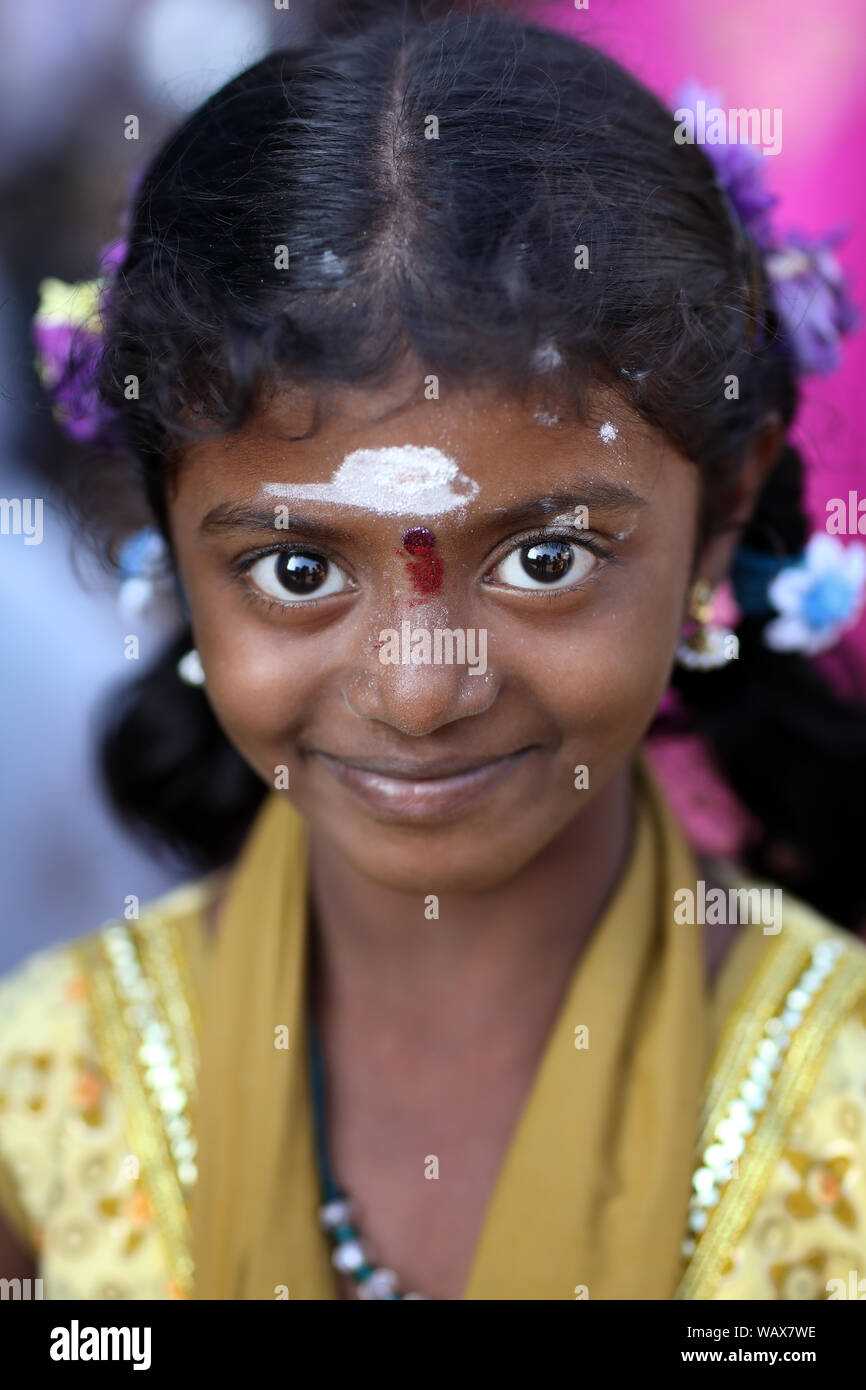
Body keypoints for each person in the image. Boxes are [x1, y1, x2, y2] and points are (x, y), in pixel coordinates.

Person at [2, 1, 866, 1302]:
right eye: (295, 570)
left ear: (718, 520)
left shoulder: (841, 1098)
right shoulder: (45, 1094)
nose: (416, 688)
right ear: (174, 540)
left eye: (545, 558)